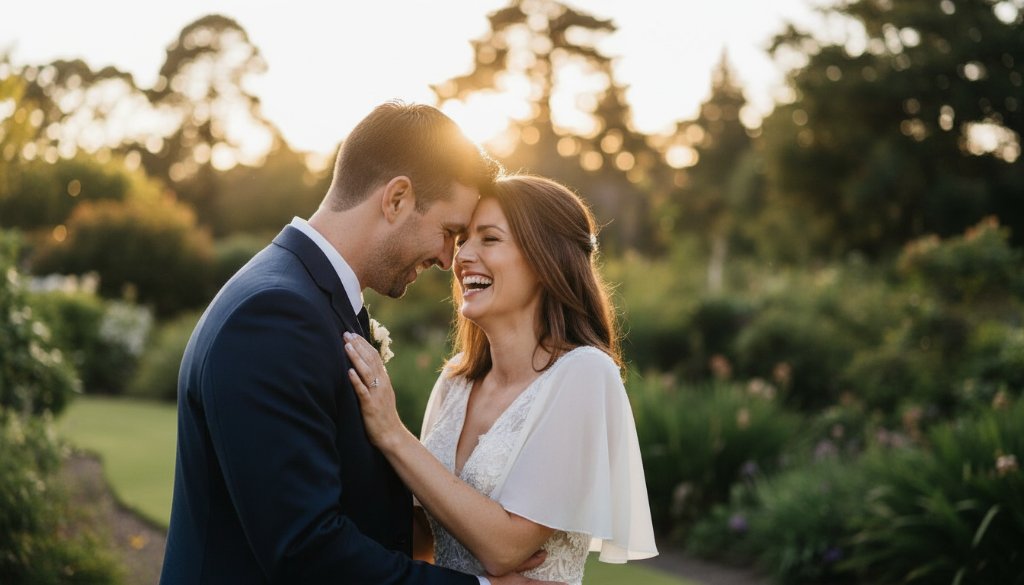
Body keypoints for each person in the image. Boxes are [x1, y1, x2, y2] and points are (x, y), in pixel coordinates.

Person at [159, 102, 559, 585]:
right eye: (449, 231)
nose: (447, 258)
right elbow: (307, 550)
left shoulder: (303, 298)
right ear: (396, 199)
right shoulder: (274, 316)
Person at [343, 174, 659, 585]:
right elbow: (421, 542)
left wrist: (391, 433)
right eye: (462, 241)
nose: (462, 257)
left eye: (489, 240)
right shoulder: (454, 383)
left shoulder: (583, 374)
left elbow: (505, 547)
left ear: (547, 260)